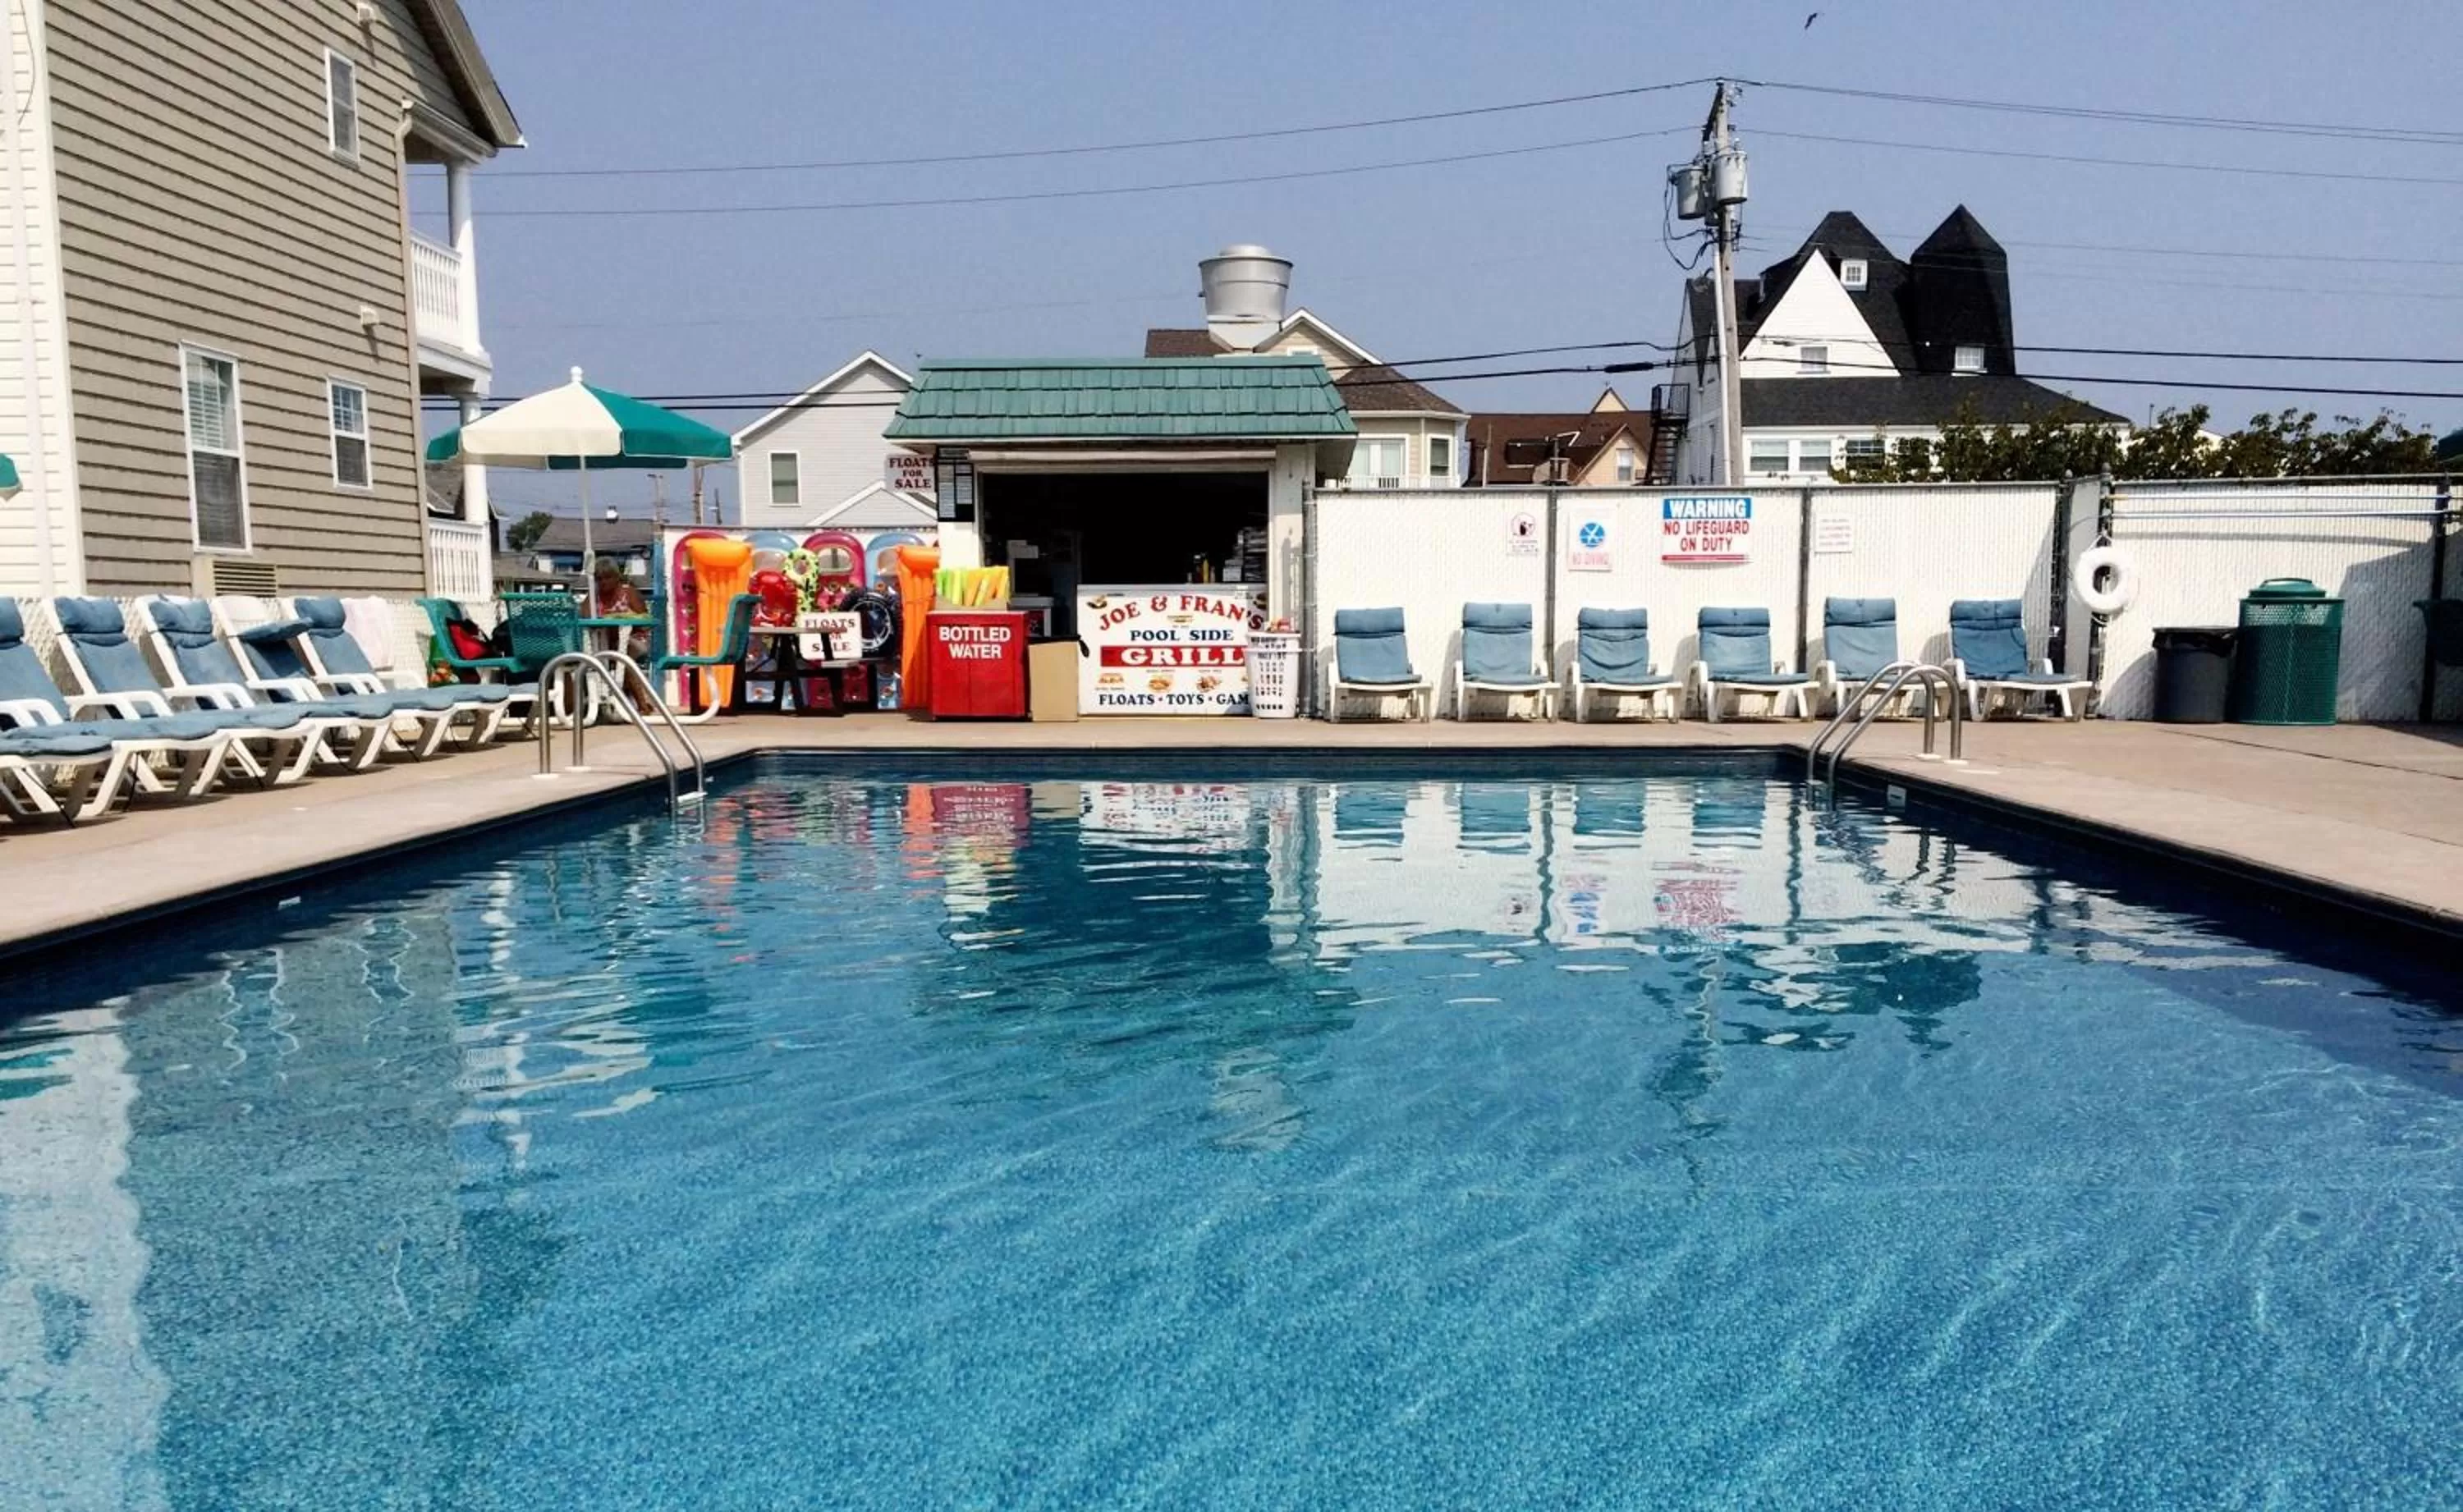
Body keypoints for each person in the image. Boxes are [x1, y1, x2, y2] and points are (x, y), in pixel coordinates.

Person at [593, 559, 651, 662]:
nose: (603, 582)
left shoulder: (628, 592)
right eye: (599, 579)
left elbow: (646, 622)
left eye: (607, 578)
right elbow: (584, 616)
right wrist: (593, 592)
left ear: (616, 577)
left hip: (632, 639)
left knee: (626, 655)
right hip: (605, 642)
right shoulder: (594, 596)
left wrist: (624, 617)